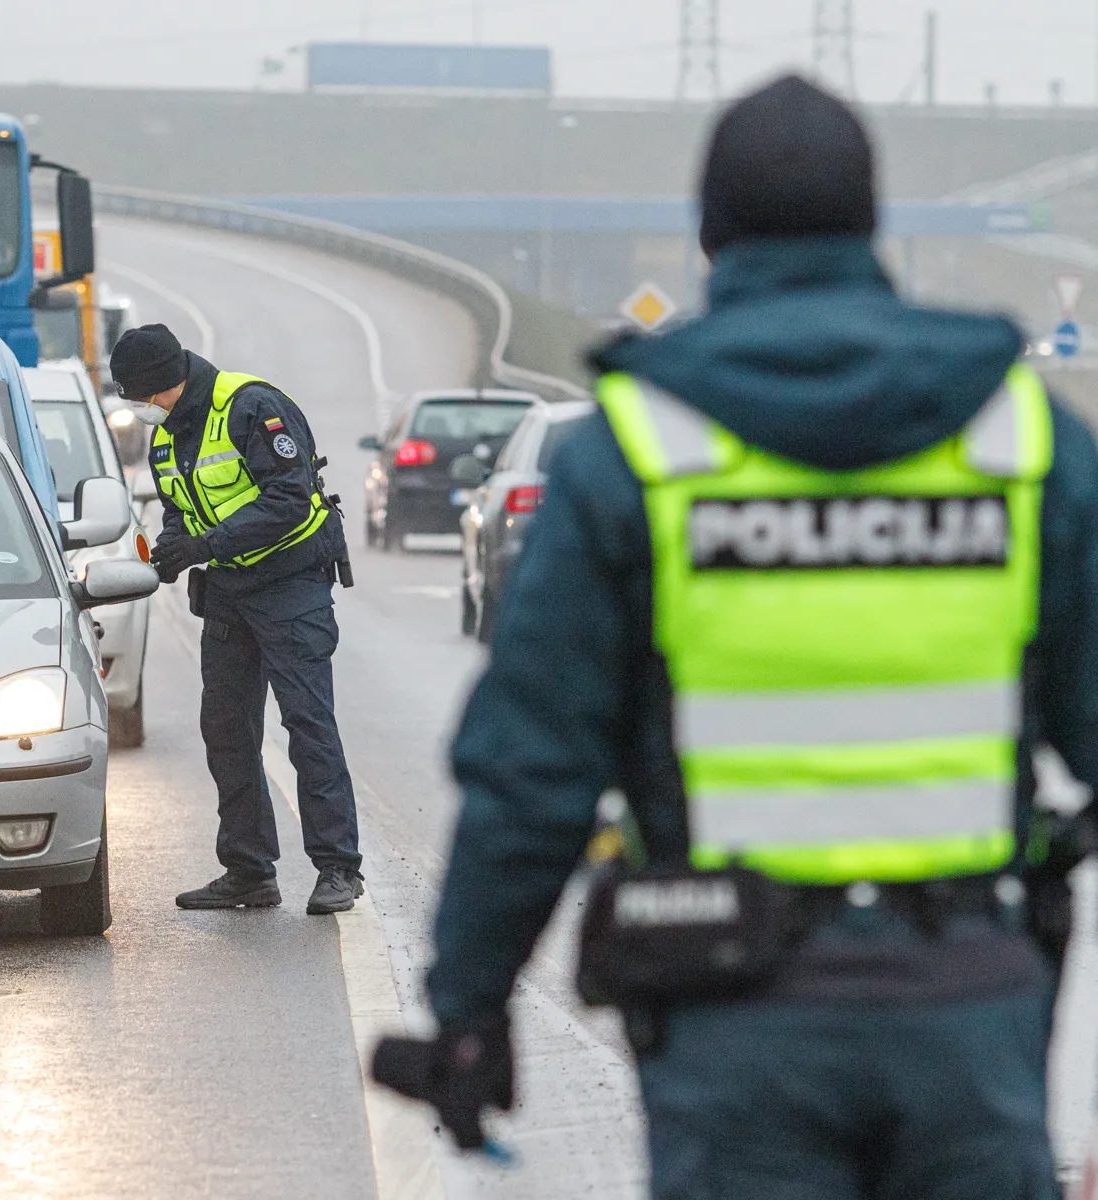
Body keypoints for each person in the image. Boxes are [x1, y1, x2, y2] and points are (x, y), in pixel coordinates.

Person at [384, 75, 1098, 1197]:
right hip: (969, 1012)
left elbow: (533, 772)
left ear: (711, 236)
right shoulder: (1022, 441)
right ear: (872, 225)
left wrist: (469, 1011)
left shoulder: (638, 455)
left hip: (734, 1022)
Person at [112, 323, 363, 914]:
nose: (137, 409)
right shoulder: (166, 435)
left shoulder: (252, 407)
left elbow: (287, 500)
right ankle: (249, 871)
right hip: (228, 591)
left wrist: (204, 547)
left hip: (290, 586)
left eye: (137, 396)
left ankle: (338, 869)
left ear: (159, 385)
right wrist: (173, 549)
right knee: (226, 730)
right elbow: (181, 506)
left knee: (308, 726)